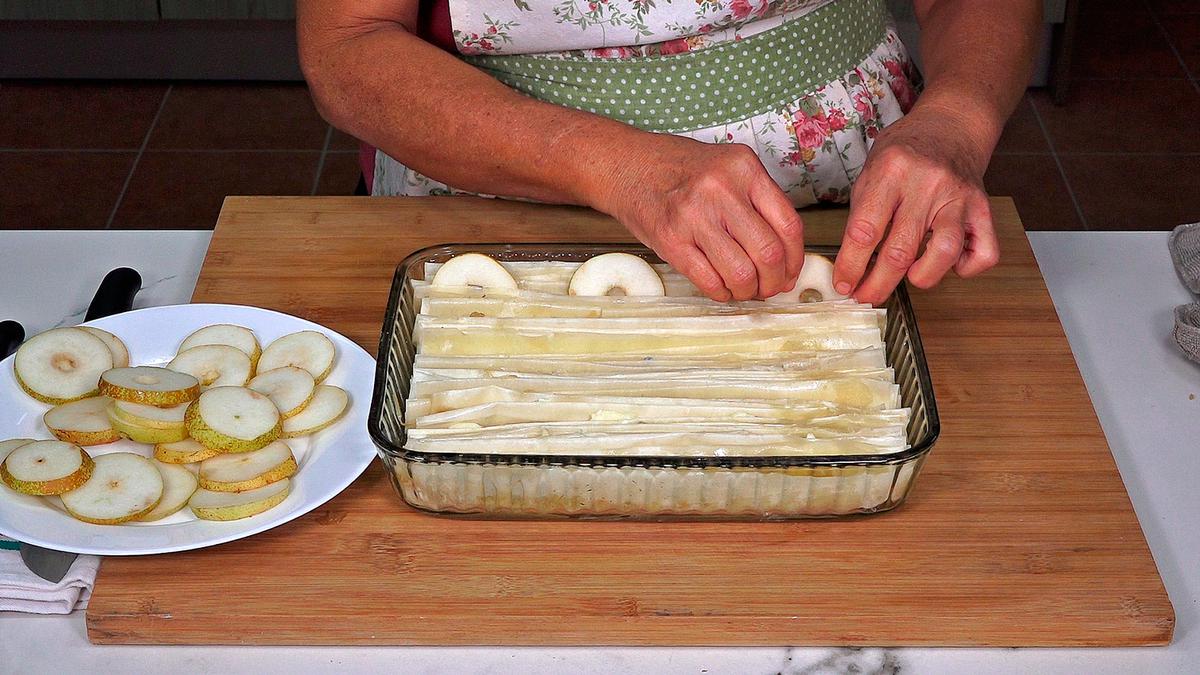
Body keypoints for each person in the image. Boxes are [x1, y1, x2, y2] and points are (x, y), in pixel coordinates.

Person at [297, 0, 1039, 304]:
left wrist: (957, 118)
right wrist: (616, 166)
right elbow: (347, 47)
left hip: (855, 205)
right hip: (497, 194)